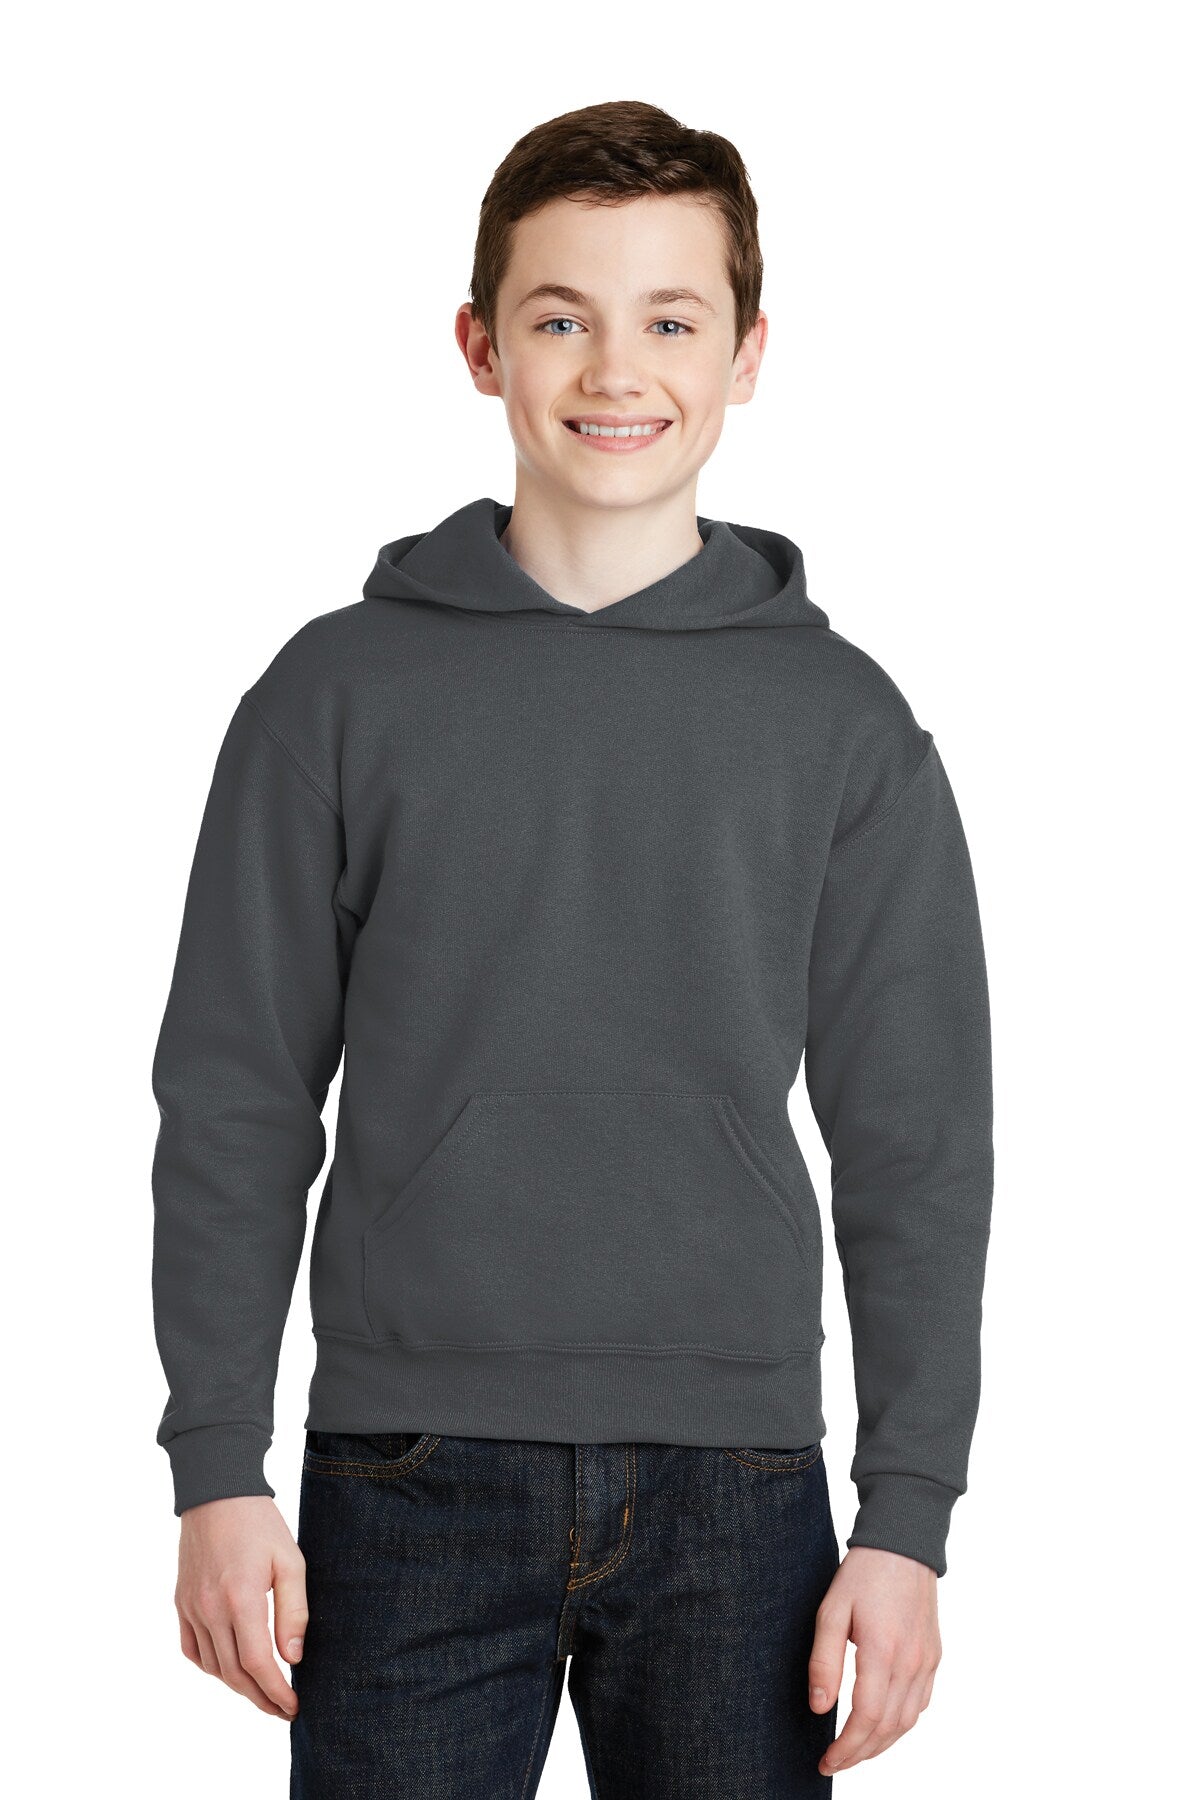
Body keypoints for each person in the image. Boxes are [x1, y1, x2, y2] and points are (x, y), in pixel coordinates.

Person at [151, 99, 994, 1797]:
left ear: (748, 354)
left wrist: (908, 1517)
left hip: (737, 1486)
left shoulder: (844, 726)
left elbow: (918, 1142)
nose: (618, 371)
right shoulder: (333, 696)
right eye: (561, 319)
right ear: (481, 347)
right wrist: (216, 1468)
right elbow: (236, 1098)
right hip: (402, 1472)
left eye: (672, 321)